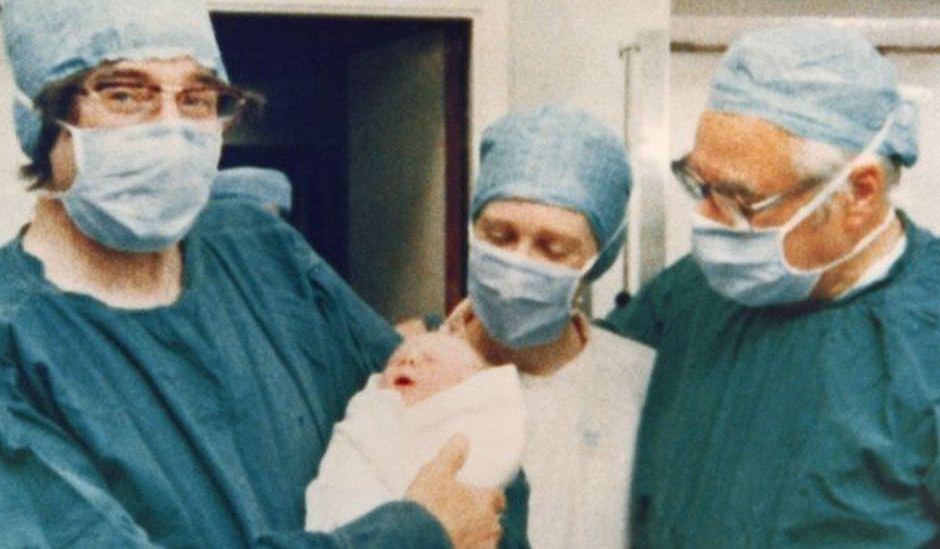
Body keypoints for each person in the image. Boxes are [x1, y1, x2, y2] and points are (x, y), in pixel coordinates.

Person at [0, 0, 527, 547]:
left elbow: (454, 432)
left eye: (197, 97)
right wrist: (413, 537)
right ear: (41, 116)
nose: (169, 130)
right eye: (124, 93)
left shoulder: (260, 253)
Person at [601, 24, 939, 546]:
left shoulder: (926, 339)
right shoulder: (693, 293)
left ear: (860, 192)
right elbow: (581, 367)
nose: (705, 217)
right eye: (699, 183)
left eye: (739, 199)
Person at [444, 105, 655, 549]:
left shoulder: (642, 384)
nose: (520, 262)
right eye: (499, 236)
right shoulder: (411, 373)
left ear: (596, 261)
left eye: (553, 248)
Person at [305, 333, 524, 532]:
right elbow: (344, 473)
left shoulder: (470, 425)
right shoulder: (372, 413)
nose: (408, 360)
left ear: (463, 388)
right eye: (396, 360)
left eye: (429, 360)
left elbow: (485, 482)